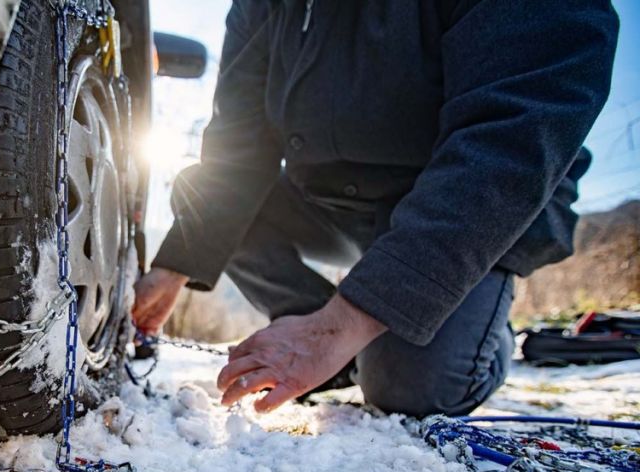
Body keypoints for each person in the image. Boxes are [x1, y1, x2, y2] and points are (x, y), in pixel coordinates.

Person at [131, 0, 619, 416]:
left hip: (466, 204)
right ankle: (329, 342)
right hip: (330, 200)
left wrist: (341, 324)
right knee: (199, 190)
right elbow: (239, 142)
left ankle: (475, 327)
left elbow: (515, 134)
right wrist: (177, 264)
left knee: (411, 389)